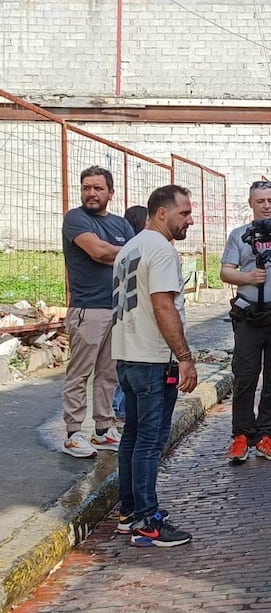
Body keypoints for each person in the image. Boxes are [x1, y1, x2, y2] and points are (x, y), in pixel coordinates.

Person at [111, 184, 198, 547]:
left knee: (132, 437)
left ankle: (129, 513)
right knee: (149, 441)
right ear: (162, 213)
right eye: (184, 213)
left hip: (127, 355)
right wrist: (185, 358)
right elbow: (163, 306)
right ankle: (148, 520)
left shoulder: (129, 248)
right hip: (152, 359)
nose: (189, 220)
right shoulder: (161, 250)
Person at [220, 180, 271, 466]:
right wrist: (248, 277)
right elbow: (226, 272)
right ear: (251, 203)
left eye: (270, 200)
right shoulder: (239, 235)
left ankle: (265, 435)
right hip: (248, 315)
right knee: (245, 374)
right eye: (260, 201)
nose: (266, 206)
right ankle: (241, 435)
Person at [60, 166, 135, 458]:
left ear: (110, 193)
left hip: (117, 309)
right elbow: (99, 252)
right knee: (79, 374)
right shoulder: (76, 218)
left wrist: (111, 254)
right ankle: (72, 434)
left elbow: (132, 261)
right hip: (87, 310)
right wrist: (115, 253)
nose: (91, 193)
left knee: (108, 374)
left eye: (98, 188)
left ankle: (103, 430)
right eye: (86, 188)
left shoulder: (121, 224)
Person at [111, 205, 148, 423]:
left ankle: (120, 407)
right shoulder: (137, 250)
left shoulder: (125, 251)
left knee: (123, 364)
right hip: (132, 314)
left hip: (121, 314)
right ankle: (121, 408)